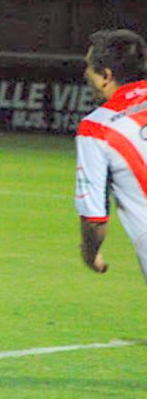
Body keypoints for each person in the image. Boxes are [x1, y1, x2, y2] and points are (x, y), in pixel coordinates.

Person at [75, 28, 147, 283]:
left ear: (106, 76)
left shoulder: (97, 128)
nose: (86, 73)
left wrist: (89, 253)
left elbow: (94, 219)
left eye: (89, 67)